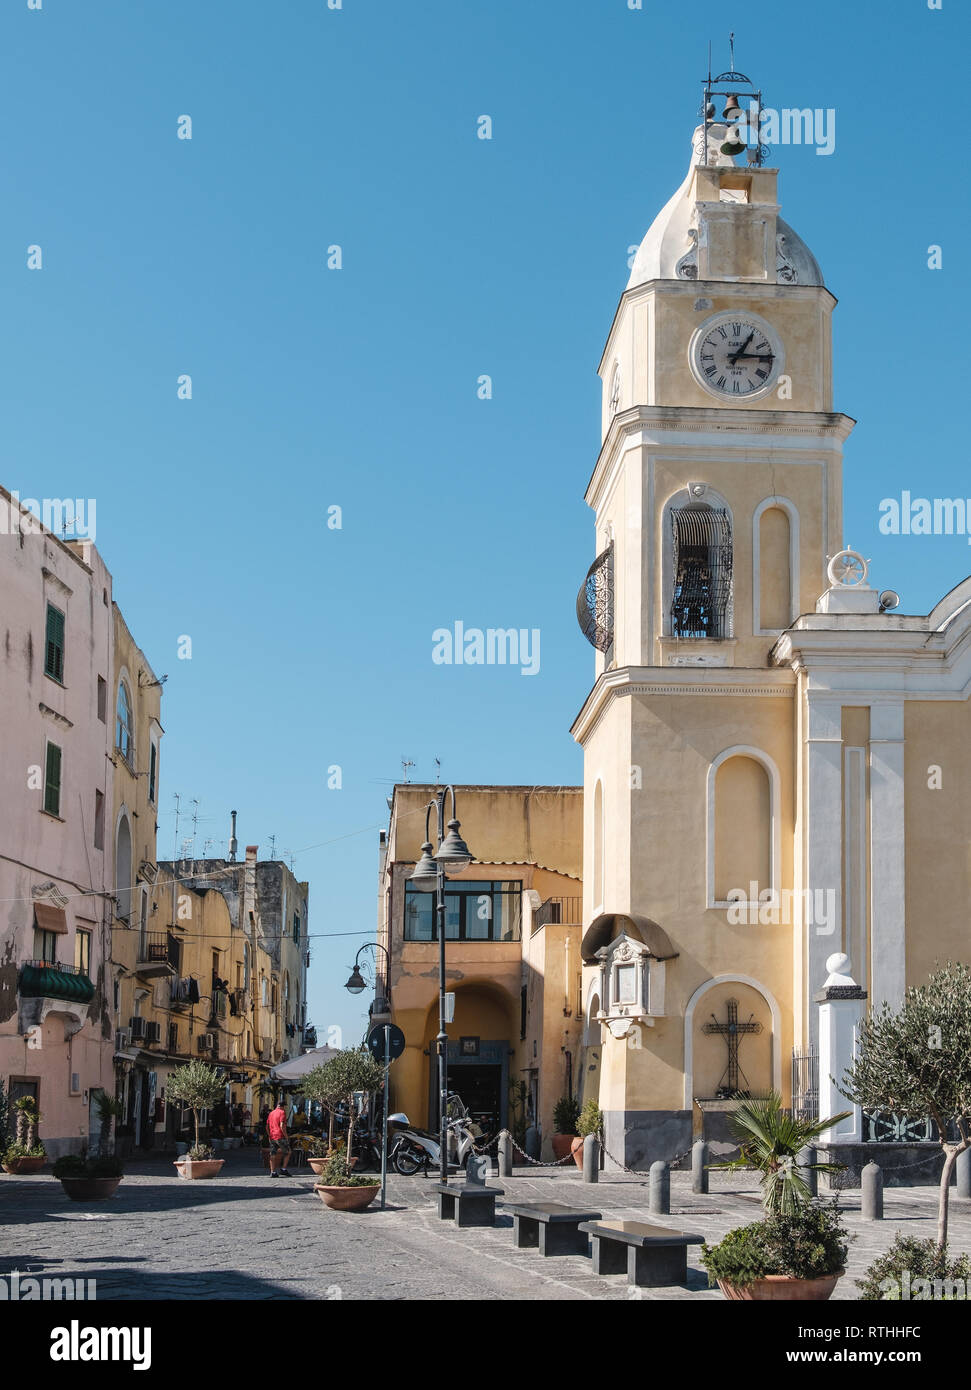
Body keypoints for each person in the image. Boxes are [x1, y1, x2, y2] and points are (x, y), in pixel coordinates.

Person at [266, 1098, 291, 1177]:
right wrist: (286, 1136)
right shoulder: (282, 1112)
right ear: (283, 1106)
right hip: (280, 1136)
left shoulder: (271, 1113)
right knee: (288, 1152)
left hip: (272, 1136)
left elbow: (266, 1126)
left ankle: (272, 1172)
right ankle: (283, 1169)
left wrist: (269, 1135)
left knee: (273, 1153)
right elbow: (282, 1126)